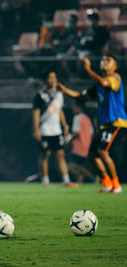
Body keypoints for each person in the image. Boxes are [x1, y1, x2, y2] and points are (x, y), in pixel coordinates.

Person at [57, 55, 127, 193]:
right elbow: (81, 96)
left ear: (115, 66)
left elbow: (104, 83)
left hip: (117, 123)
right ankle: (106, 183)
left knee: (103, 151)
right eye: (103, 60)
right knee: (92, 154)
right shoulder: (98, 86)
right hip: (105, 125)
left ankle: (116, 185)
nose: (104, 62)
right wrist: (65, 90)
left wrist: (88, 68)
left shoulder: (115, 78)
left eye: (108, 60)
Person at [32, 71, 78, 188]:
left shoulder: (59, 94)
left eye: (54, 78)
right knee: (45, 154)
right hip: (45, 130)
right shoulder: (40, 95)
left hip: (56, 130)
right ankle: (45, 181)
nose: (53, 80)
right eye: (50, 78)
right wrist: (36, 130)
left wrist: (65, 126)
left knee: (61, 154)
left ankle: (66, 180)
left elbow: (60, 111)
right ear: (45, 80)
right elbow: (36, 113)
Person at [68, 101, 95, 183]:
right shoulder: (87, 118)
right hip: (86, 146)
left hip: (78, 146)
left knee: (73, 166)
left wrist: (69, 140)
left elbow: (76, 132)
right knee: (80, 165)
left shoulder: (77, 118)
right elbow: (91, 132)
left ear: (80, 108)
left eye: (75, 107)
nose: (74, 109)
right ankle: (79, 182)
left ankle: (93, 177)